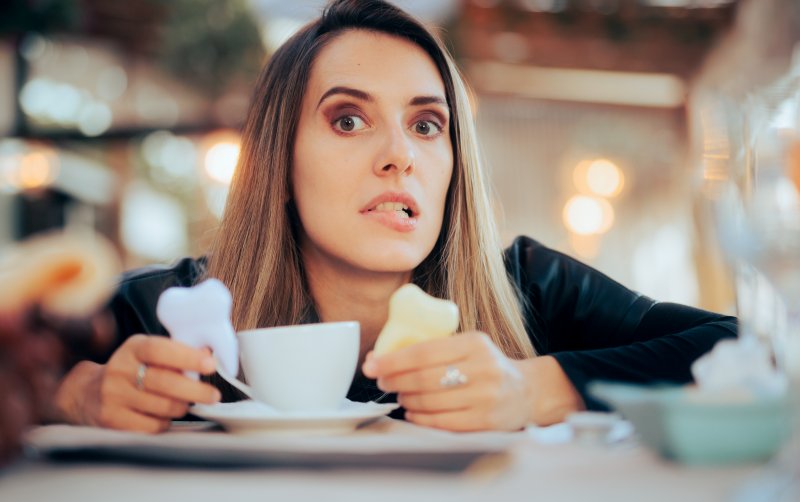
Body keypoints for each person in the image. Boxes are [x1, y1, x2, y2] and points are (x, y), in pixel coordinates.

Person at [51, 0, 737, 434]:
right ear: (278, 164)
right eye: (348, 119)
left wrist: (535, 387)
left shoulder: (529, 289)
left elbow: (742, 349)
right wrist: (76, 392)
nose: (399, 156)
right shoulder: (169, 309)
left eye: (427, 124)